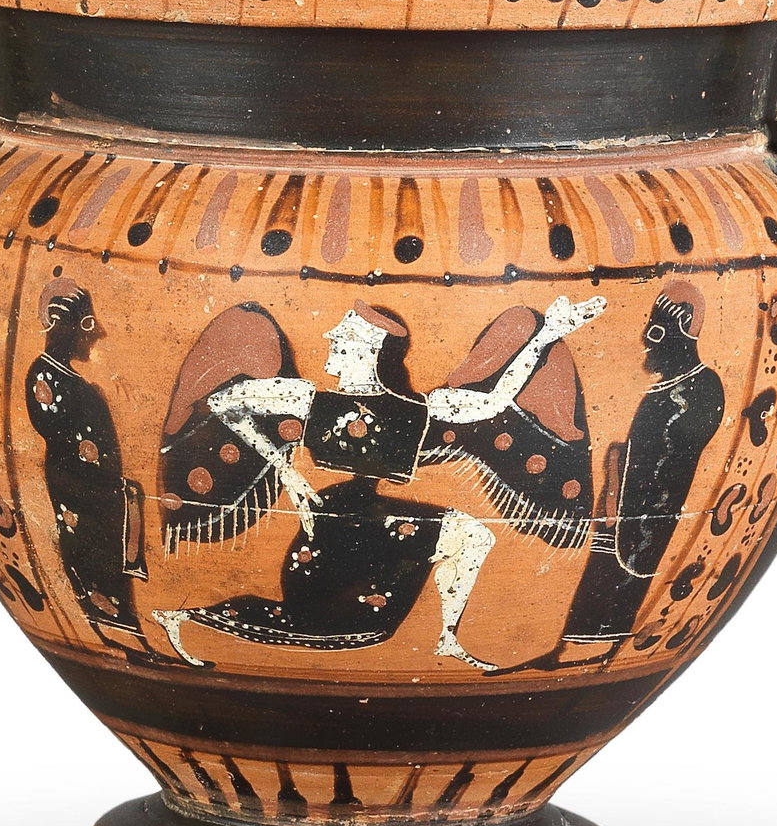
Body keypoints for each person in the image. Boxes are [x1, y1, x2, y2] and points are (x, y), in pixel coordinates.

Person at [153, 296, 603, 671]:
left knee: (469, 540)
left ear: (369, 347)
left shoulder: (416, 409)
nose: (331, 338)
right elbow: (224, 402)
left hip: (372, 519)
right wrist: (284, 470)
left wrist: (546, 334)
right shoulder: (310, 398)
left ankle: (447, 636)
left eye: (343, 336)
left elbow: (494, 402)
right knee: (338, 625)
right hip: (331, 521)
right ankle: (188, 615)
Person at [538, 281, 724, 668]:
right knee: (602, 567)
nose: (645, 342)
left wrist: (621, 487)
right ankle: (577, 647)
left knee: (622, 571)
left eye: (654, 332)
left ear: (681, 330)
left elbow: (672, 455)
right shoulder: (664, 391)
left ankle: (596, 648)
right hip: (624, 499)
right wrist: (614, 478)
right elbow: (644, 448)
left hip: (648, 510)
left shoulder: (702, 386)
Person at [25, 279, 150, 654]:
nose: (97, 333)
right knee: (87, 551)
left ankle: (127, 632)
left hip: (96, 489)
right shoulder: (45, 375)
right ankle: (109, 632)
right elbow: (59, 434)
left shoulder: (75, 382)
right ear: (66, 326)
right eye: (88, 323)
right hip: (76, 487)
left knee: (106, 554)